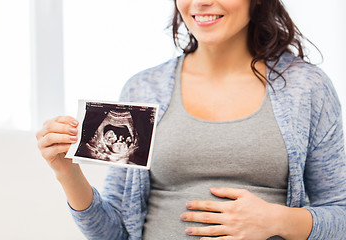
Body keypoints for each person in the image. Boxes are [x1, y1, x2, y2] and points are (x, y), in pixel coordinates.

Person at [36, 0, 346, 239]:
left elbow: (341, 216)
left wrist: (278, 220)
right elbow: (115, 232)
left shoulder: (306, 88)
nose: (201, 2)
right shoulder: (144, 89)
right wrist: (67, 174)